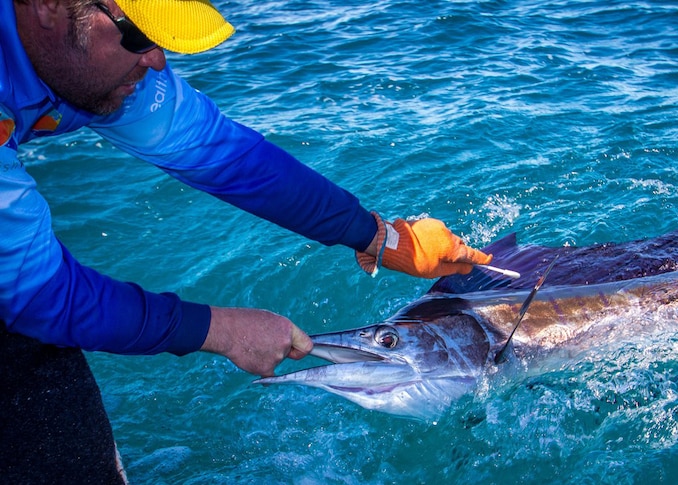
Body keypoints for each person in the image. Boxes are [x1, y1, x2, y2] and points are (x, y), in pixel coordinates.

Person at [0, 0, 493, 481]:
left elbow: (226, 158)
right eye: (139, 36)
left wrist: (380, 237)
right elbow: (39, 295)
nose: (156, 60)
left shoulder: (96, 64)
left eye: (162, 38)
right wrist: (219, 329)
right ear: (48, 5)